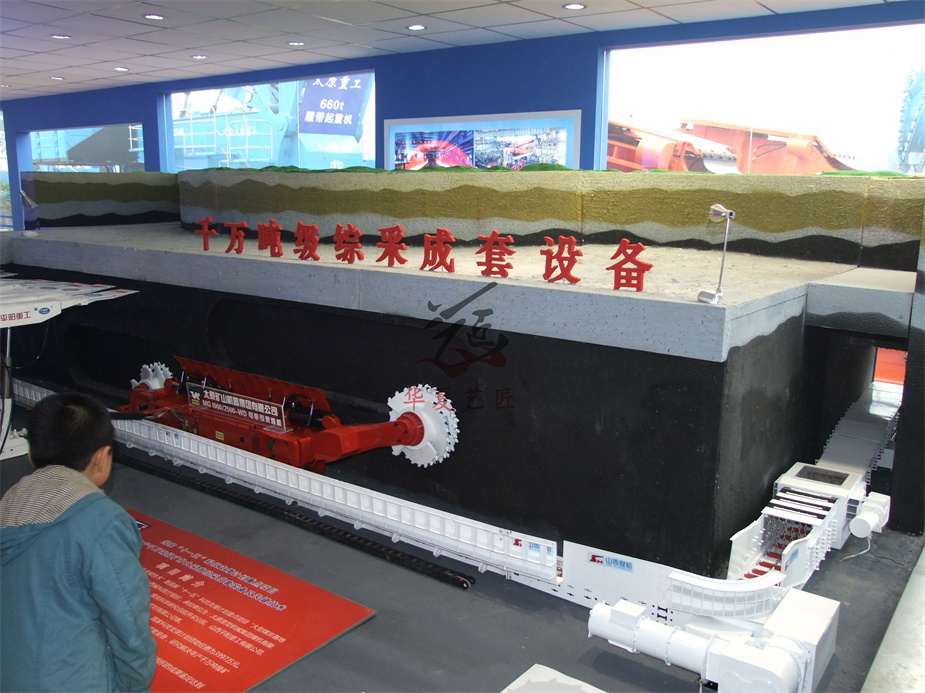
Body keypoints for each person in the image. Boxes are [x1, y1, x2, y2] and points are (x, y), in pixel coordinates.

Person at [0, 392, 157, 692]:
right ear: (102, 458)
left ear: (31, 455)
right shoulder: (103, 521)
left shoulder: (8, 505)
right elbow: (128, 625)